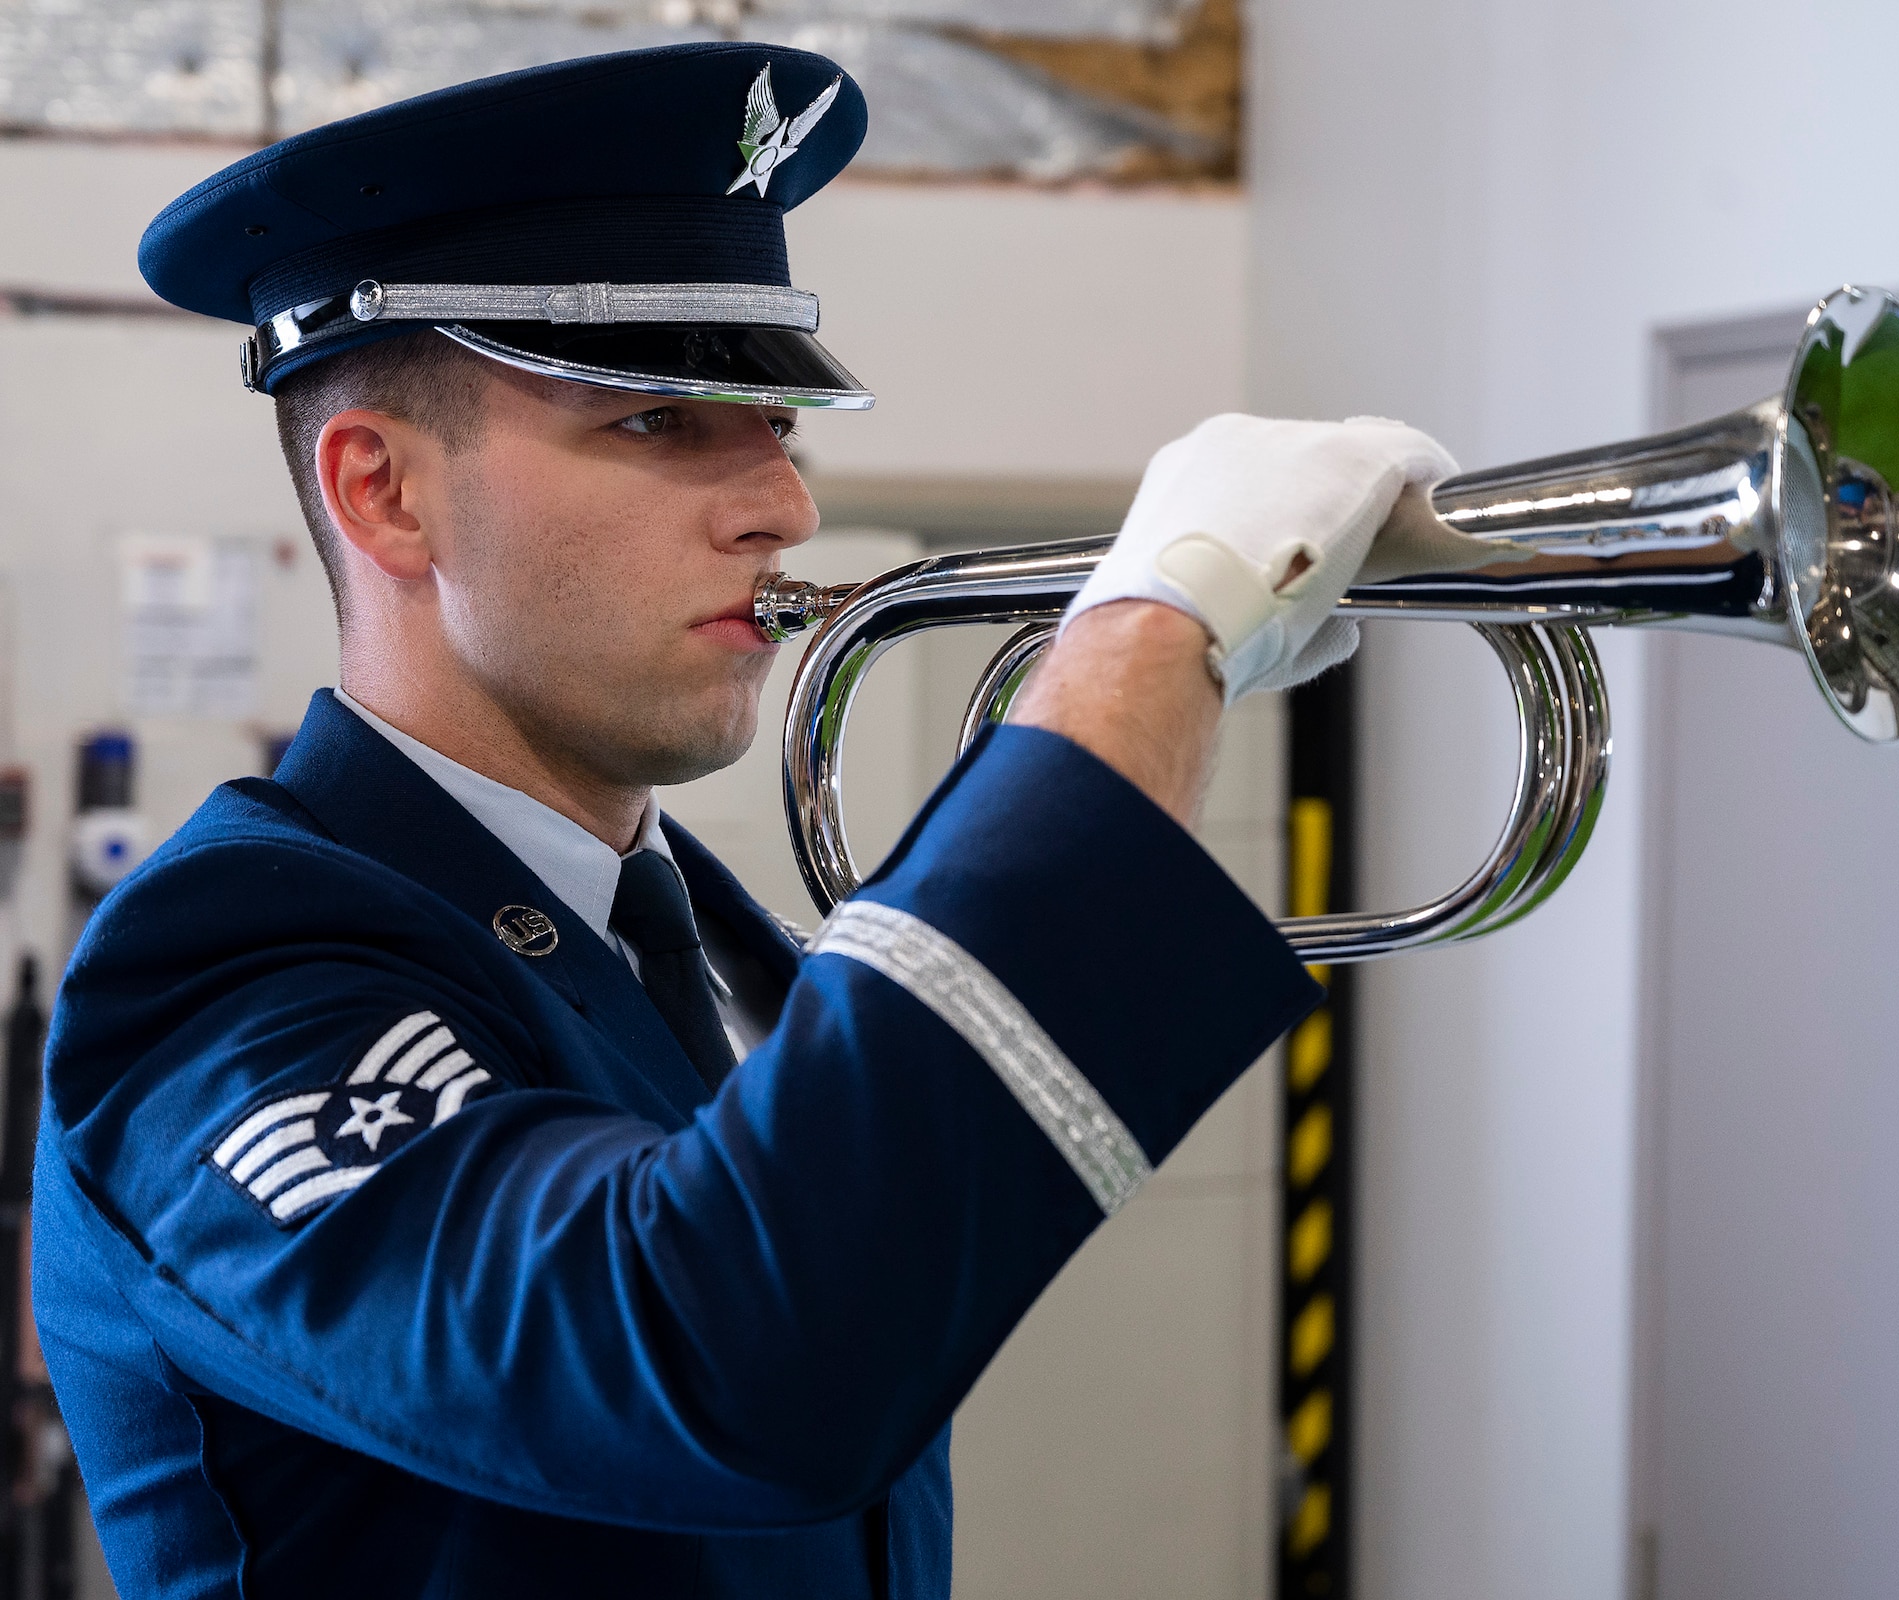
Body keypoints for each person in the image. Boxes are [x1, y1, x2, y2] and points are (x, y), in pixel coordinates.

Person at [30, 42, 1456, 1600]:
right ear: (383, 494)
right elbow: (723, 1354)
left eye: (777, 422)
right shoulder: (224, 969)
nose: (784, 502)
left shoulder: (710, 935)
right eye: (658, 422)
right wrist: (1145, 641)